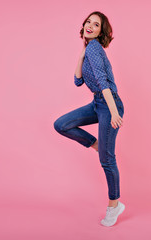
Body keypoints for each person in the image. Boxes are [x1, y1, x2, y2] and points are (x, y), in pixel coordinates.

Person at [53, 11, 125, 227]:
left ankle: (114, 205)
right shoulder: (90, 49)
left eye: (96, 24)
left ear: (101, 31)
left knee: (107, 159)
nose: (91, 26)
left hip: (109, 103)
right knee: (61, 124)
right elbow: (77, 81)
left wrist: (113, 112)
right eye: (88, 22)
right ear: (84, 25)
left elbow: (103, 83)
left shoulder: (94, 48)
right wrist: (81, 56)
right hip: (97, 103)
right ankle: (94, 144)